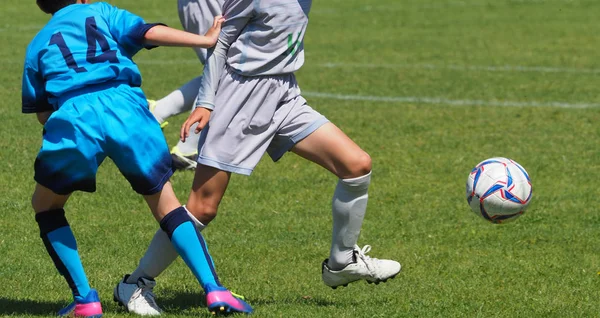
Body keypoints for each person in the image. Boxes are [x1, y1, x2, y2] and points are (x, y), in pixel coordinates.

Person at [115, 0, 401, 315]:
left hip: (283, 94)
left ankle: (341, 262)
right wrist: (206, 101)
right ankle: (136, 283)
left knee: (356, 165)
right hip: (237, 98)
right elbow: (220, 42)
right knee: (202, 208)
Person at [22, 0, 252, 316]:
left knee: (45, 206)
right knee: (166, 204)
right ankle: (215, 291)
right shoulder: (100, 11)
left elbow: (44, 114)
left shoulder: (37, 45)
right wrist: (204, 39)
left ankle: (85, 302)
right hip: (125, 106)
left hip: (73, 116)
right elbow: (148, 32)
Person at [147, 0, 224, 171]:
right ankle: (186, 151)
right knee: (222, 73)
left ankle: (158, 110)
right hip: (205, 5)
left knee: (220, 72)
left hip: (200, 5)